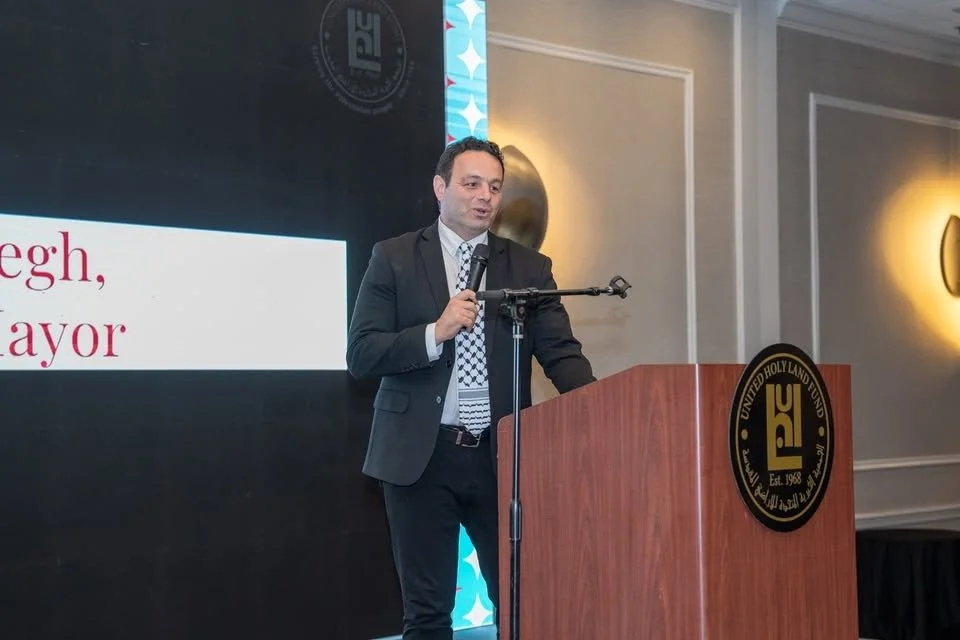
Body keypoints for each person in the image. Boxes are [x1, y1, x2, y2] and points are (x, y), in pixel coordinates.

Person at [346, 136, 595, 640]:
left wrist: (603, 410)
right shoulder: (393, 257)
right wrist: (434, 332)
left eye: (495, 187)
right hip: (420, 457)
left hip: (502, 457)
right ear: (441, 188)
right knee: (427, 613)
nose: (485, 196)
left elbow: (562, 356)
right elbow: (363, 353)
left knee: (522, 604)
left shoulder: (529, 268)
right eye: (472, 183)